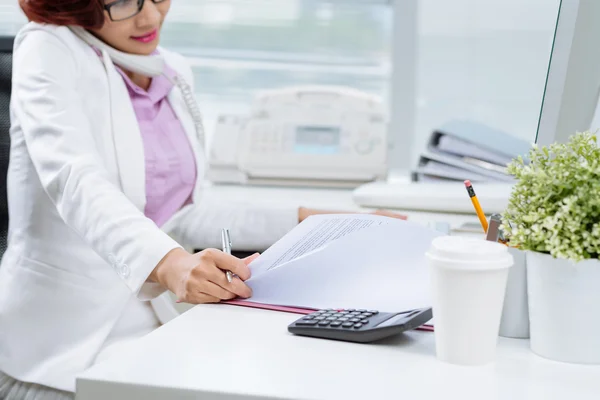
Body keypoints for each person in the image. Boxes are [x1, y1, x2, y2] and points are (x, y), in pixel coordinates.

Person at [0, 0, 405, 398]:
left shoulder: (170, 70)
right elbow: (75, 180)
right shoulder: (48, 47)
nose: (150, 16)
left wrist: (327, 221)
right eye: (122, 2)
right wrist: (170, 263)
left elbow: (186, 213)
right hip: (57, 351)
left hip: (150, 334)